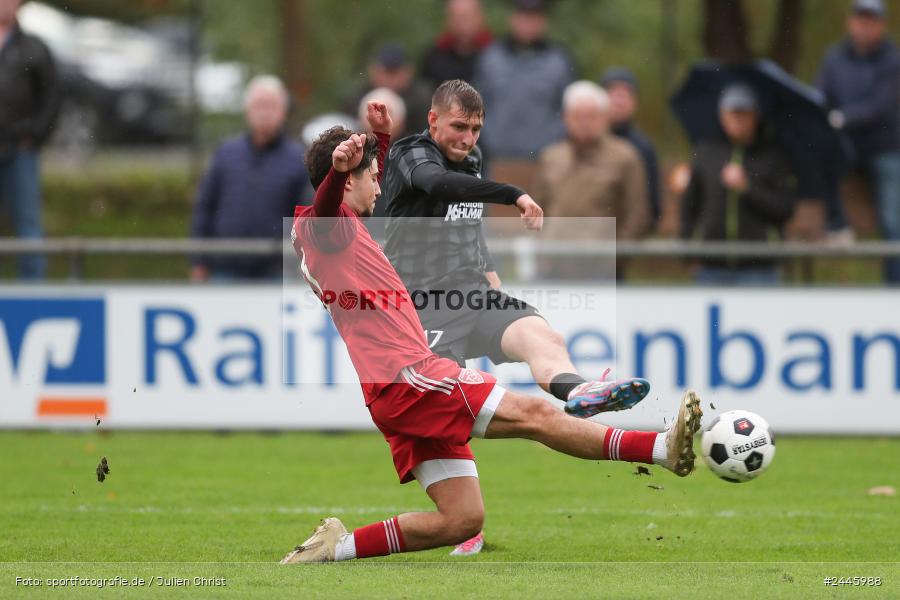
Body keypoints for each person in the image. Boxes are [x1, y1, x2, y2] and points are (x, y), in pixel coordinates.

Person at [280, 102, 703, 563]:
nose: (380, 186)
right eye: (373, 176)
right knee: (537, 416)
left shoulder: (339, 229)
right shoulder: (322, 227)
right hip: (411, 378)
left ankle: (334, 549)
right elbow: (330, 204)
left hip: (396, 390)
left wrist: (378, 140)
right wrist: (341, 172)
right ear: (343, 180)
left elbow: (346, 196)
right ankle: (661, 447)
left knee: (462, 520)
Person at [381, 79, 650, 553]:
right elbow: (438, 185)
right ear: (433, 120)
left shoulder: (474, 160)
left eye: (476, 129)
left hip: (471, 293)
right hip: (420, 307)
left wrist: (490, 272)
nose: (468, 139)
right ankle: (464, 520)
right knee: (448, 412)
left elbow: (471, 225)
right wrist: (514, 193)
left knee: (537, 332)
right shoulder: (410, 155)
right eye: (459, 127)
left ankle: (576, 388)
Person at [190, 76, 308, 281]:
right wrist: (199, 260)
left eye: (271, 105)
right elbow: (205, 207)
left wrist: (305, 259)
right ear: (247, 110)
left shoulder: (299, 158)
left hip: (277, 273)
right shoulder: (226, 153)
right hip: (225, 271)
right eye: (259, 104)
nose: (264, 111)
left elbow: (308, 215)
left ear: (283, 111)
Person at [816, 0, 900, 283]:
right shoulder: (834, 58)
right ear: (850, 23)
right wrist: (828, 118)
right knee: (822, 151)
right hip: (845, 143)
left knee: (893, 221)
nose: (864, 26)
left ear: (881, 25)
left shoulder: (893, 60)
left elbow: (883, 105)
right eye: (860, 19)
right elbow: (820, 97)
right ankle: (837, 225)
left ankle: (894, 290)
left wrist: (843, 118)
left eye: (871, 20)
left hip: (885, 146)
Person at [680, 84, 796, 286]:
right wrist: (688, 254)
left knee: (760, 318)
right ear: (722, 115)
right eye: (733, 113)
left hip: (760, 267)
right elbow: (689, 207)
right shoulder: (706, 152)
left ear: (755, 116)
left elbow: (784, 209)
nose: (738, 119)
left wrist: (747, 188)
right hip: (711, 266)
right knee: (714, 319)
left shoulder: (772, 156)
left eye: (744, 113)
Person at [534, 81, 651, 244]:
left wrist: (616, 256)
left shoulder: (625, 157)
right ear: (565, 118)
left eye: (591, 116)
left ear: (605, 117)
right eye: (577, 116)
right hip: (555, 259)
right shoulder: (551, 157)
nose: (584, 123)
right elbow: (536, 209)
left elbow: (637, 214)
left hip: (603, 262)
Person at [0, 0, 60, 280]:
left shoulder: (33, 47)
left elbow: (52, 97)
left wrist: (34, 135)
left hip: (19, 148)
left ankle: (33, 290)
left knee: (27, 222)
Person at [472, 0, 575, 160]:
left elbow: (569, 110)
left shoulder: (559, 62)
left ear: (543, 21)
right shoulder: (489, 58)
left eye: (533, 18)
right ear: (512, 18)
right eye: (523, 17)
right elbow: (474, 106)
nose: (527, 24)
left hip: (546, 160)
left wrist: (554, 140)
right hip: (495, 159)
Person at [601, 67, 662, 224]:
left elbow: (652, 203)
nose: (619, 102)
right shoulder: (584, 142)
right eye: (614, 94)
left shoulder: (644, 148)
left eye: (625, 95)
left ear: (634, 103)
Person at [342, 43, 432, 139]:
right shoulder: (357, 97)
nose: (389, 79)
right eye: (385, 72)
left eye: (394, 73)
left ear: (408, 72)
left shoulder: (421, 100)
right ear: (373, 71)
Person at [420, 0, 493, 90]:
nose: (463, 25)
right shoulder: (434, 57)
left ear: (481, 17)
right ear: (448, 20)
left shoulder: (495, 55)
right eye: (457, 18)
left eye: (467, 17)